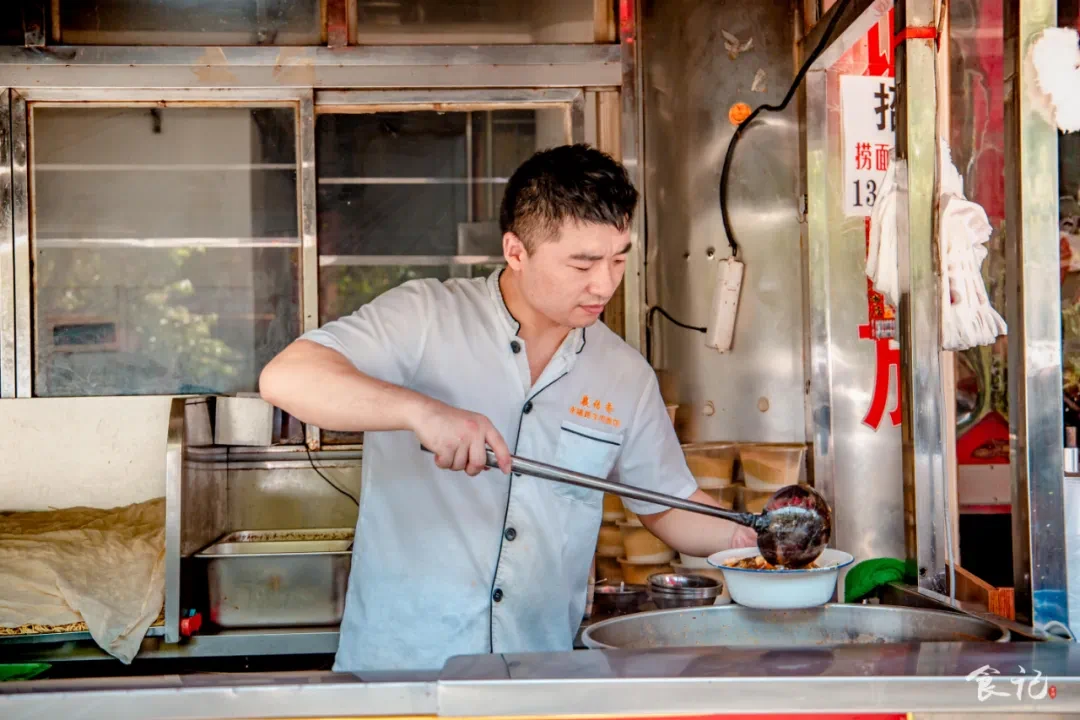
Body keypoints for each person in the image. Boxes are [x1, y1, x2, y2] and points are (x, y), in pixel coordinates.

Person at [260, 144, 757, 672]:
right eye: (583, 263)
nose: (605, 283)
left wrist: (749, 537)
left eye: (618, 258)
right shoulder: (426, 316)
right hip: (400, 672)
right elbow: (287, 376)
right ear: (516, 252)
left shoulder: (624, 374)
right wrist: (420, 411)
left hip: (535, 675)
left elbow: (667, 503)